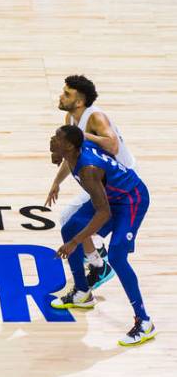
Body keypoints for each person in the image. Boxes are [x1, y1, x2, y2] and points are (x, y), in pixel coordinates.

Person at [49, 125, 154, 346]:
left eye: (57, 139)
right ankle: (82, 291)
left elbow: (103, 213)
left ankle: (144, 322)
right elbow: (70, 161)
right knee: (69, 226)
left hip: (130, 199)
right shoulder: (75, 151)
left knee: (116, 256)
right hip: (110, 196)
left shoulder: (89, 170)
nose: (52, 139)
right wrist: (56, 180)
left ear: (69, 145)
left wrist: (75, 242)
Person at [46, 75, 136, 292]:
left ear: (79, 101)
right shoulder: (70, 118)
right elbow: (72, 154)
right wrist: (56, 182)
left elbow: (112, 146)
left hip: (123, 181)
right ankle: (95, 257)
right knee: (70, 219)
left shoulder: (95, 117)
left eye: (67, 94)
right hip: (103, 179)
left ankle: (98, 262)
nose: (61, 95)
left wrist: (82, 135)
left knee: (73, 220)